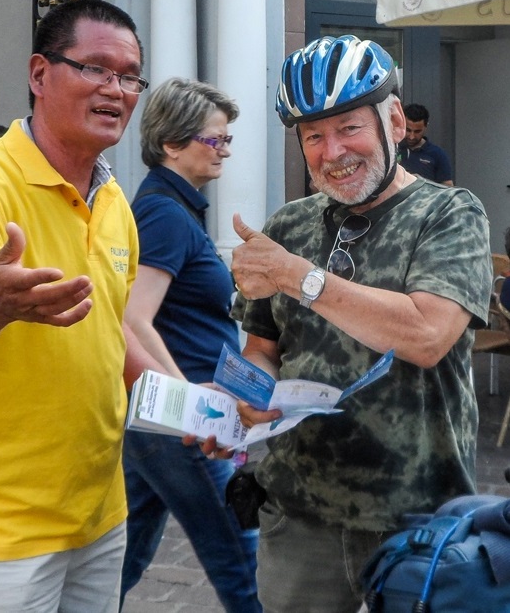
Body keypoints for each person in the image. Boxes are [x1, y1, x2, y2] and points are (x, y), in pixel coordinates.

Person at [203, 35, 491, 612]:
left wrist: (300, 278)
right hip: (299, 512)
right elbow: (263, 348)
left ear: (394, 121)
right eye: (313, 136)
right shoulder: (289, 226)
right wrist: (243, 398)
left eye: (349, 128)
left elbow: (427, 336)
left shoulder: (449, 213)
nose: (332, 151)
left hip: (416, 518)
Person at [0, 0, 156, 612]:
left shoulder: (113, 200)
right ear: (40, 74)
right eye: (95, 68)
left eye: (129, 77)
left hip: (98, 508)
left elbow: (113, 328)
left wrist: (191, 411)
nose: (115, 89)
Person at [120, 77, 260, 612]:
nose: (225, 150)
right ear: (172, 144)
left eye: (227, 140)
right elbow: (132, 319)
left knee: (121, 559)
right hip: (181, 422)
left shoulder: (171, 208)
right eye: (215, 139)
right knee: (244, 563)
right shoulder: (165, 213)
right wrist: (192, 406)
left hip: (160, 417)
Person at [398, 103, 454, 185]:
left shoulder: (437, 154)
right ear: (402, 124)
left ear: (426, 126)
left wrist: (422, 182)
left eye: (417, 131)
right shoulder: (393, 149)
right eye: (408, 130)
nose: (411, 137)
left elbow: (448, 186)